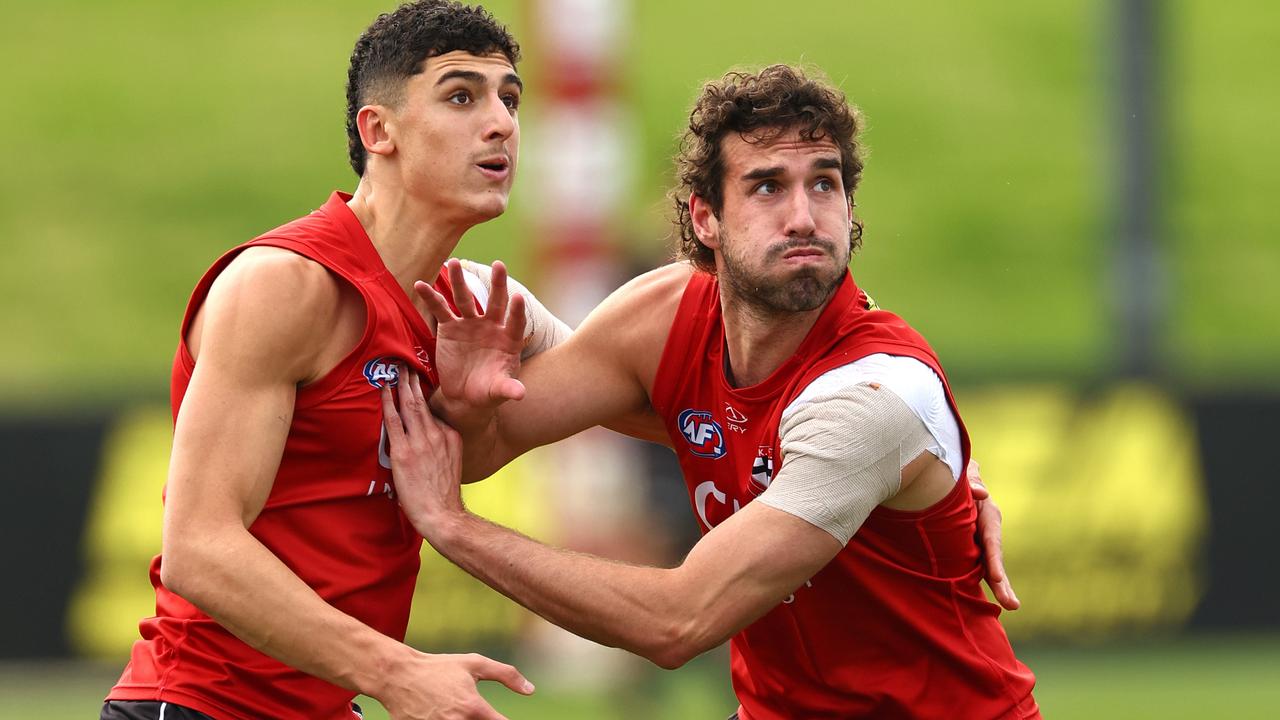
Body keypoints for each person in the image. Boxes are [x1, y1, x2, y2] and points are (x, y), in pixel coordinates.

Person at [383, 64, 1039, 718]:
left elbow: (678, 623)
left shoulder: (871, 399)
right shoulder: (663, 320)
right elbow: (481, 449)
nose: (804, 216)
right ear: (705, 218)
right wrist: (471, 402)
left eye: (825, 184)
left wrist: (455, 528)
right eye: (766, 188)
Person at [101, 3, 551, 719]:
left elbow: (637, 383)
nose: (500, 122)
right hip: (198, 707)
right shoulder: (286, 283)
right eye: (462, 95)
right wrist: (396, 671)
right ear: (379, 131)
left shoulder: (468, 304)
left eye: (510, 98)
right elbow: (199, 547)